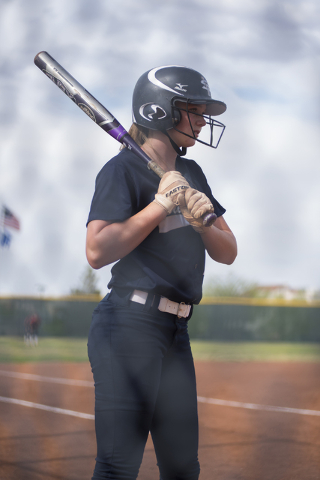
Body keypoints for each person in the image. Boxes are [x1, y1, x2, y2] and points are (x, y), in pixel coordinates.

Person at [86, 65, 237, 480]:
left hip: (175, 333)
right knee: (119, 466)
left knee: (182, 466)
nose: (204, 120)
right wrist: (161, 205)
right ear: (161, 112)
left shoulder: (194, 176)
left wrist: (201, 218)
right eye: (195, 110)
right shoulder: (121, 171)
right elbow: (97, 251)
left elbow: (229, 251)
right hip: (128, 325)